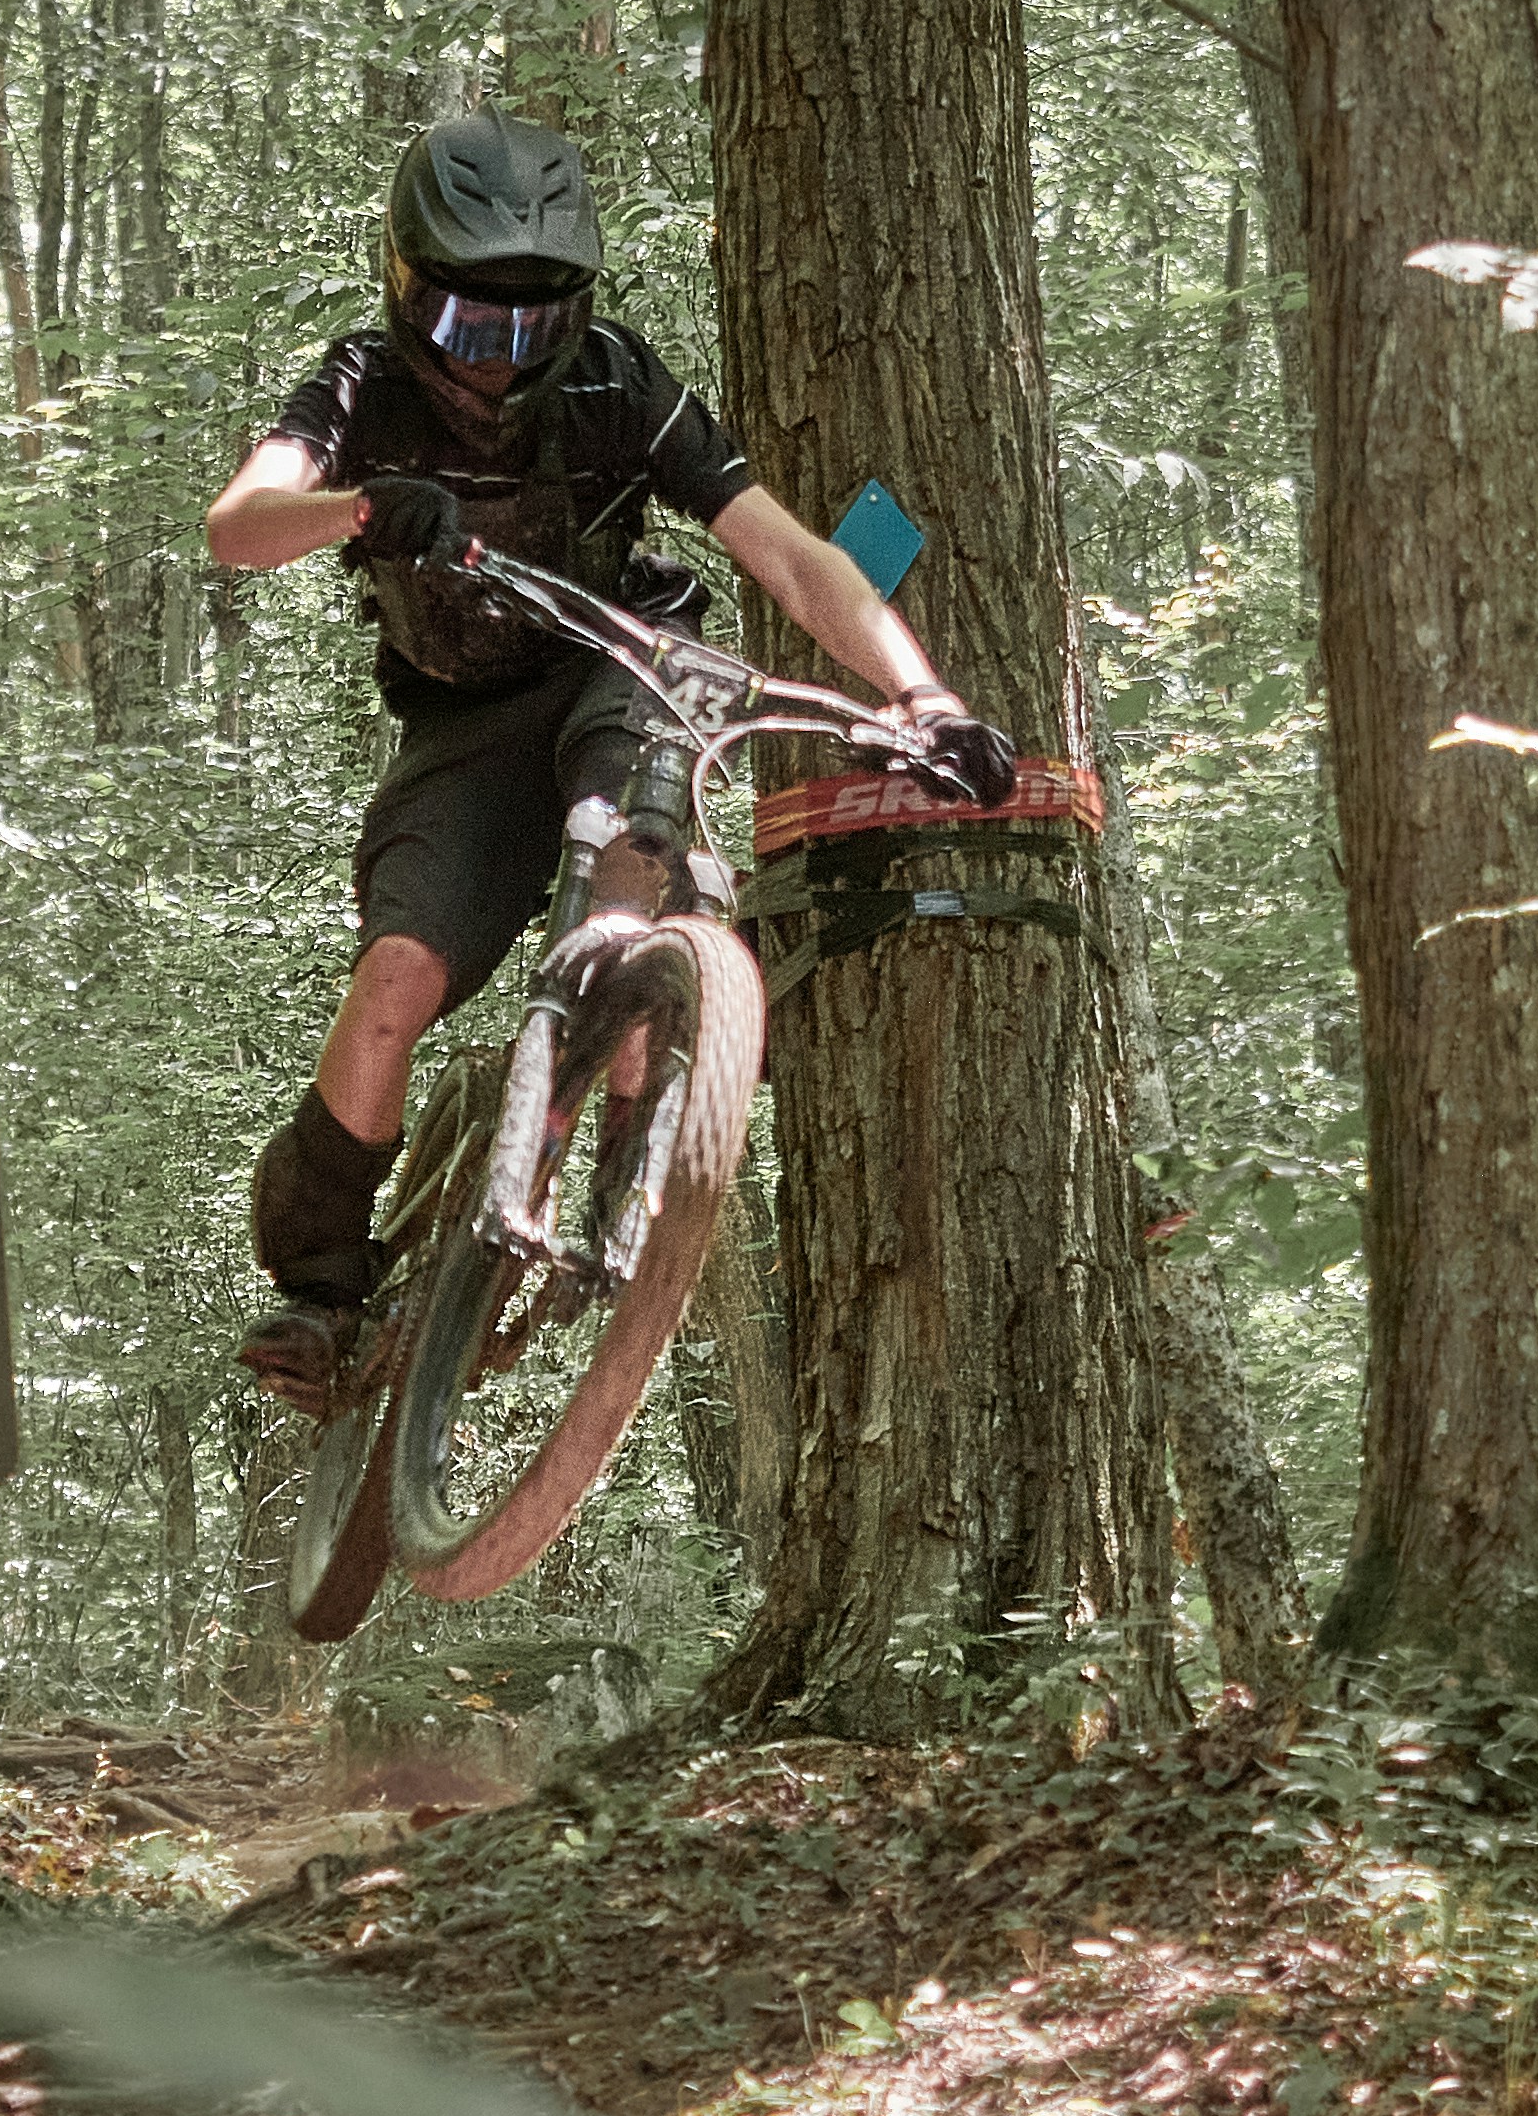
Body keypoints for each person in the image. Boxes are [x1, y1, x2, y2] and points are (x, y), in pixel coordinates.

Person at [208, 106, 1020, 1401]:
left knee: (636, 858)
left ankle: (632, 1105)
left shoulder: (619, 383)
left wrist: (924, 698)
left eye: (534, 325)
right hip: (461, 723)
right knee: (396, 982)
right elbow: (240, 526)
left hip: (620, 663)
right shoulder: (361, 380)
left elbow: (795, 557)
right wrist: (358, 507)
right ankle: (319, 1282)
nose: (502, 358)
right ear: (412, 296)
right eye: (476, 328)